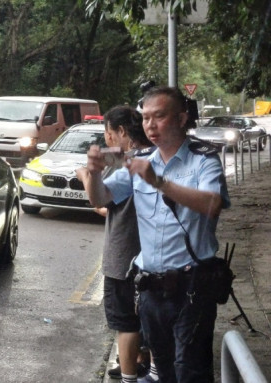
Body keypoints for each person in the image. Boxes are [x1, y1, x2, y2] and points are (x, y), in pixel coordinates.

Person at [81, 86, 230, 383]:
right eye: (146, 117)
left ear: (181, 118)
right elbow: (101, 199)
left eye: (159, 116)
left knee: (190, 371)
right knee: (162, 371)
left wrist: (159, 181)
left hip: (192, 288)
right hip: (151, 290)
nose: (150, 125)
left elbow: (212, 204)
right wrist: (94, 173)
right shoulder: (141, 159)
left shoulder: (203, 159)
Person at [77, 106, 154, 383]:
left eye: (109, 135)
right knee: (148, 318)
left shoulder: (130, 165)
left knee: (126, 322)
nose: (108, 141)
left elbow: (97, 197)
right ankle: (144, 364)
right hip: (151, 256)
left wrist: (87, 174)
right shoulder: (157, 157)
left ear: (122, 132)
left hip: (125, 256)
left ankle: (129, 374)